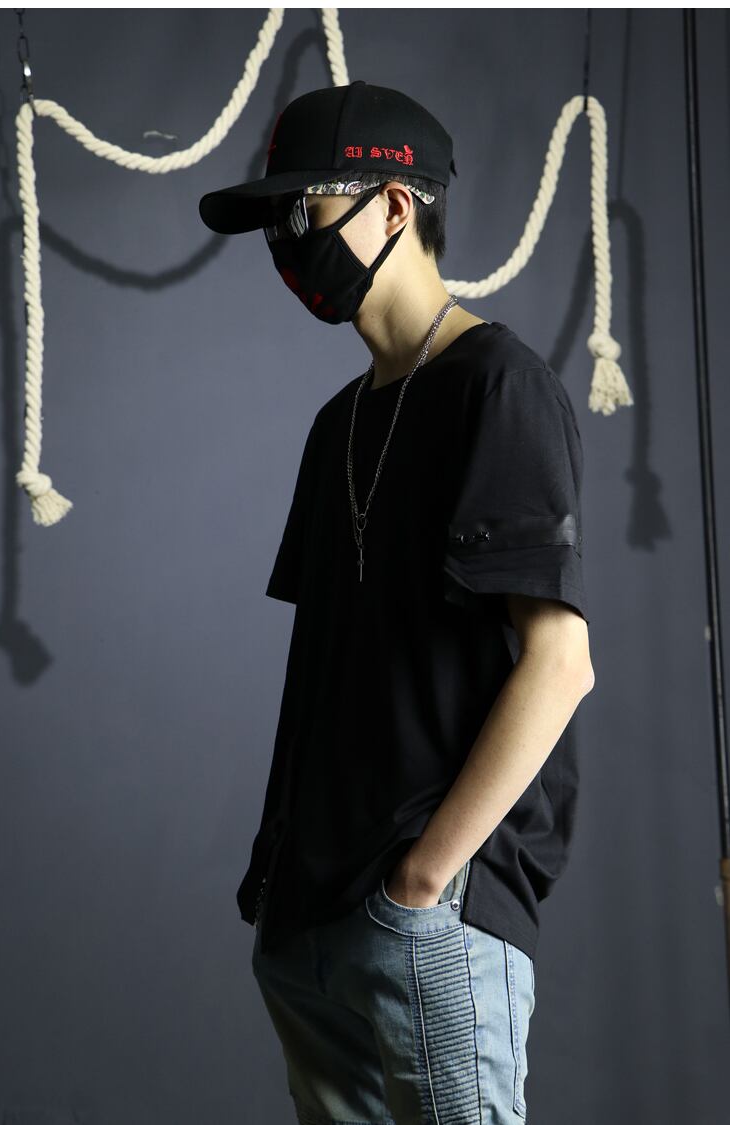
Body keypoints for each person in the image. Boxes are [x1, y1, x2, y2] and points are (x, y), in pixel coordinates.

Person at [199, 79, 595, 1125]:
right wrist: (281, 899)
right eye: (274, 223)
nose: (287, 244)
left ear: (392, 205)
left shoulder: (499, 386)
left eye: (304, 211)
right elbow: (330, 676)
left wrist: (424, 882)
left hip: (424, 914)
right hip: (310, 929)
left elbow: (560, 664)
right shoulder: (336, 426)